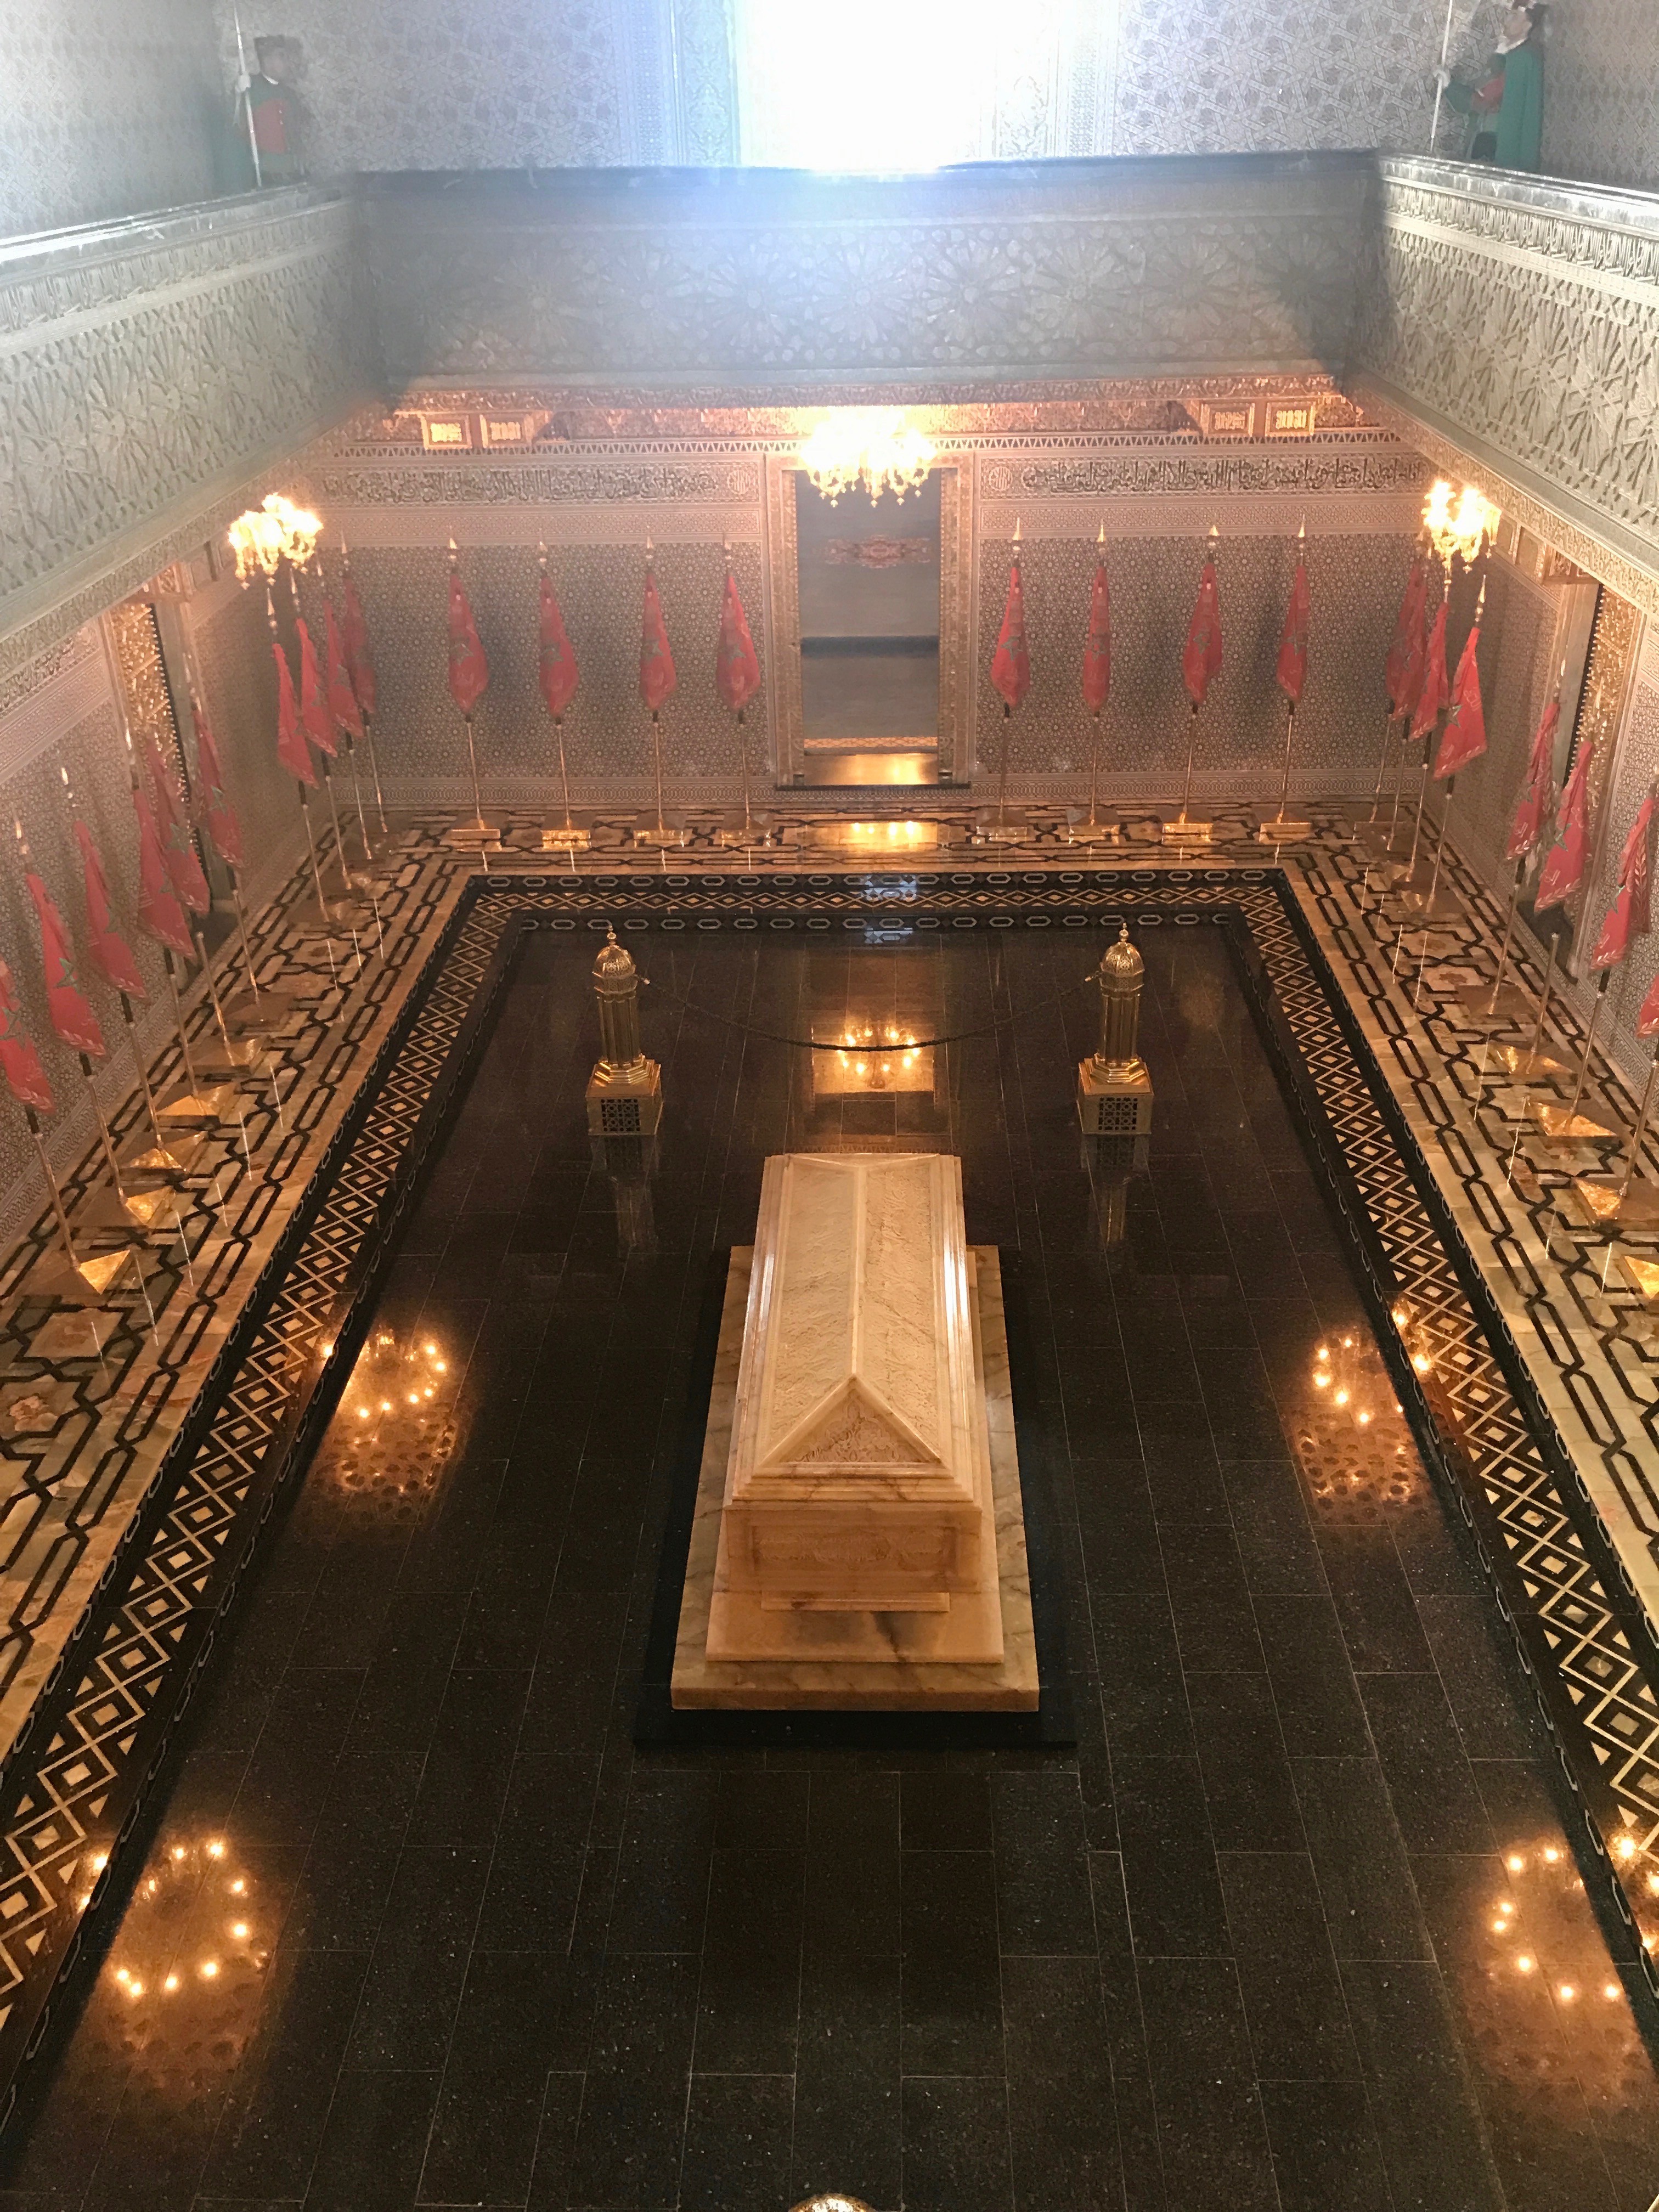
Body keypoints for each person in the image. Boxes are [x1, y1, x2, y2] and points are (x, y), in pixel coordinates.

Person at [1438, 5, 1547, 171]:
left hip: (1495, 141)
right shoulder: (1513, 55)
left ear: (1527, 26)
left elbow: (1486, 100)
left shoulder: (1520, 59)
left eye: (1514, 16)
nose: (1506, 21)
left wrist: (1450, 86)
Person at [234, 36, 304, 187]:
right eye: (282, 57)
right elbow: (236, 123)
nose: (288, 63)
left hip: (290, 169)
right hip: (264, 171)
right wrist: (238, 93)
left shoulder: (289, 94)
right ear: (267, 60)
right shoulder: (251, 87)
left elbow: (296, 134)